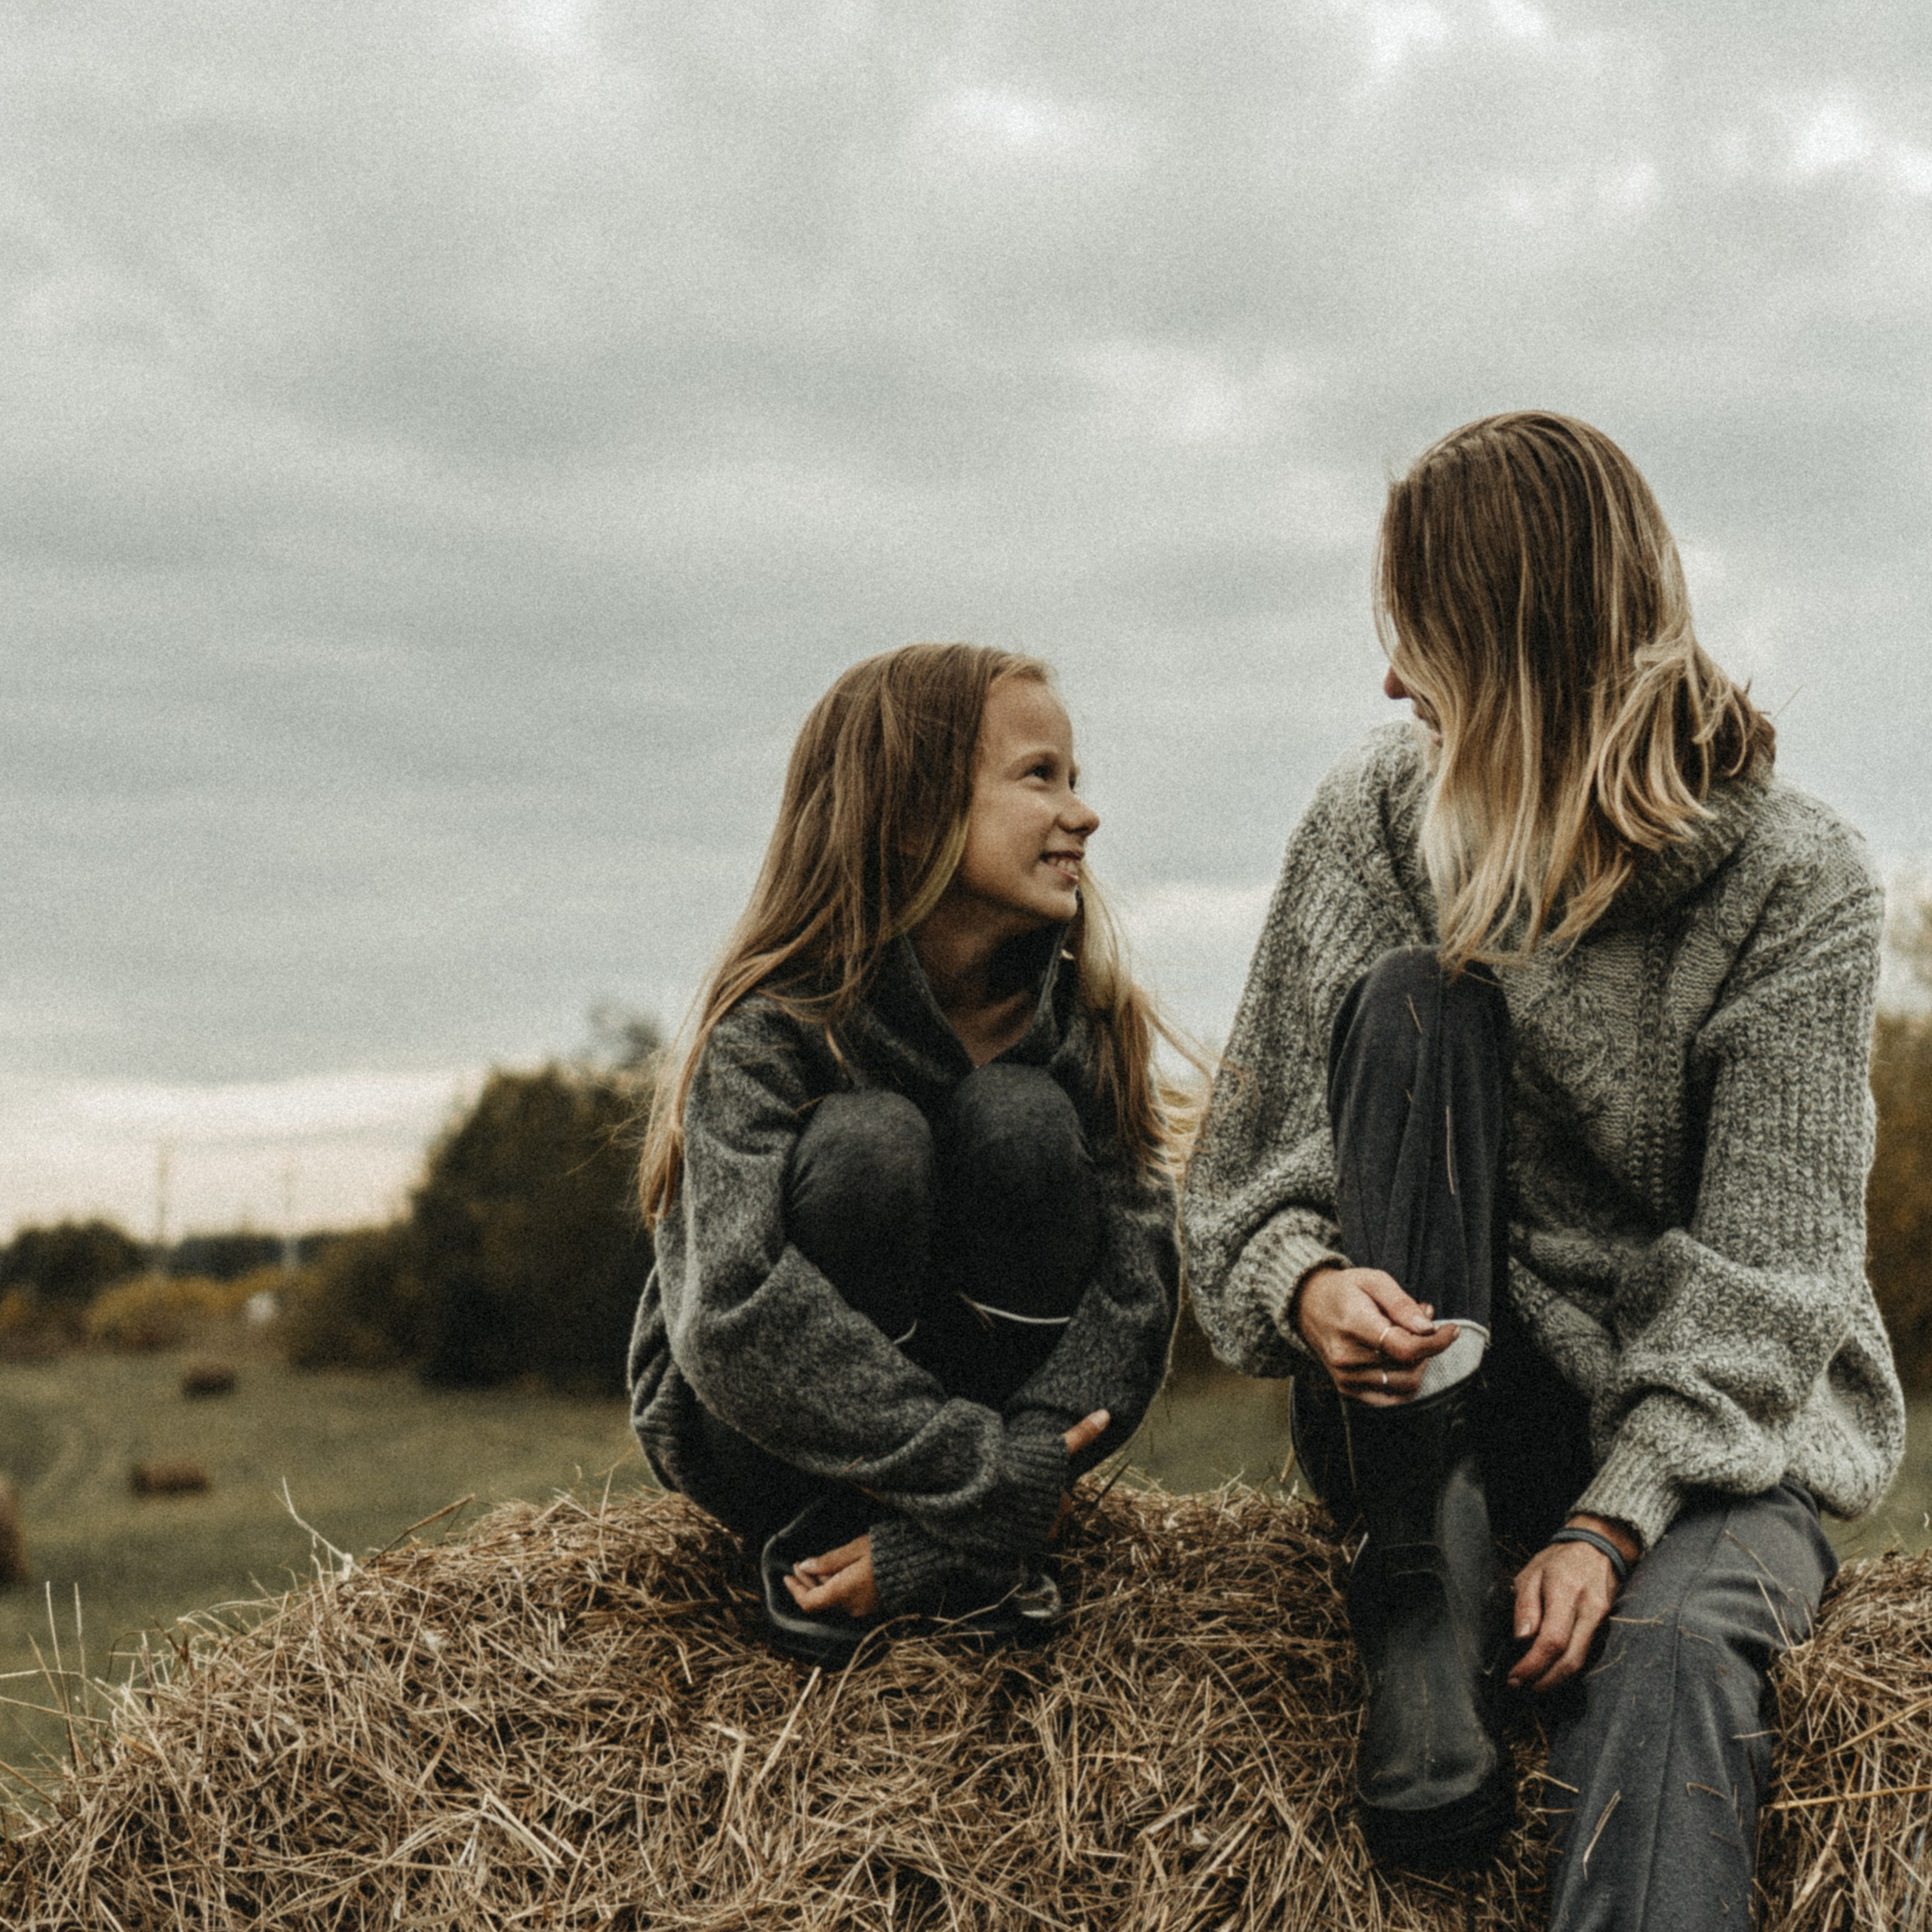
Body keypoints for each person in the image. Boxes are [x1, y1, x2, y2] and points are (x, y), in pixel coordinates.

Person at [1184, 413, 1904, 1924]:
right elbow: (1248, 1167)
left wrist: (1607, 1522)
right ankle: (1421, 1593)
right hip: (1440, 1412)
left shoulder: (1797, 884)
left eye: (1421, 642)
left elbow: (1771, 1280)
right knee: (1411, 1002)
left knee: (1671, 1648)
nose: (1392, 687)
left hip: (1719, 1434)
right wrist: (1305, 1284)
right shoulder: (1376, 815)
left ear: (1517, 654)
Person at [629, 642, 1183, 1666]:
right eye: (1040, 777)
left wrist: (1003, 1493)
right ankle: (822, 1530)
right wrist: (991, 1478)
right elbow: (730, 1316)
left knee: (1021, 1117)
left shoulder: (1091, 1023)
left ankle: (951, 1544)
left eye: (1075, 777)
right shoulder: (769, 1030)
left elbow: (1134, 1295)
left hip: (1002, 1443)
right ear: (913, 816)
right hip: (758, 1437)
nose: (1084, 814)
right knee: (870, 1142)